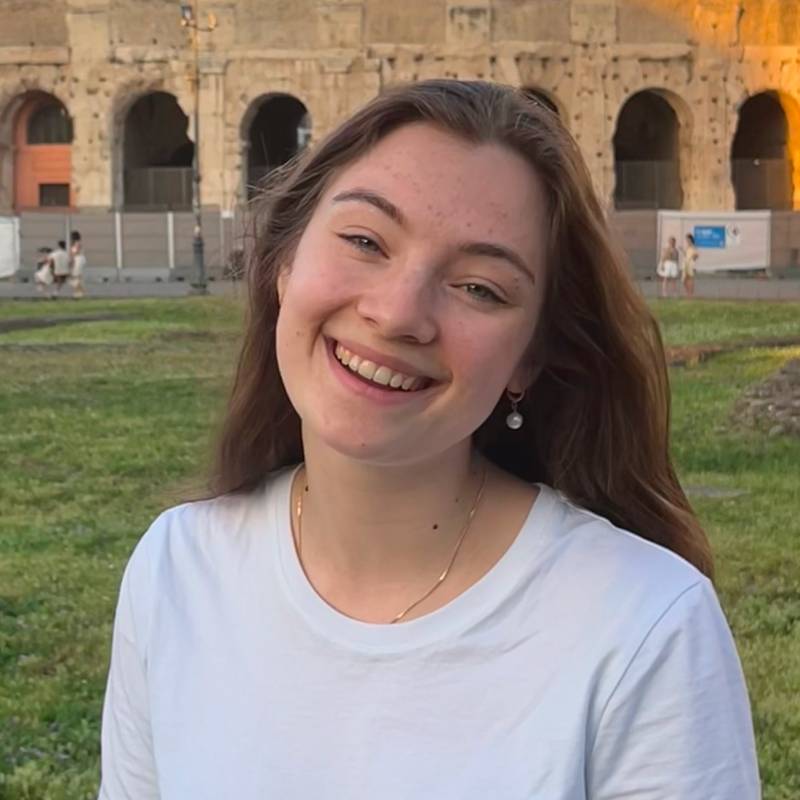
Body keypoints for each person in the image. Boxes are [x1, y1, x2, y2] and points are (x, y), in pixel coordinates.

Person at [99, 81, 760, 799]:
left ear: (529, 360)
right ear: (283, 265)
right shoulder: (176, 571)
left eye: (480, 287)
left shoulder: (647, 631)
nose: (397, 312)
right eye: (363, 241)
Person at [69, 230, 86, 299]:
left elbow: (76, 252)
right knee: (77, 277)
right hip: (77, 259)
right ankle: (79, 292)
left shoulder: (77, 243)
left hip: (78, 260)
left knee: (76, 276)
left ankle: (79, 292)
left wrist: (71, 255)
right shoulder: (74, 244)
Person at [682, 232, 699, 299]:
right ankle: (687, 293)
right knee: (684, 279)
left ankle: (690, 293)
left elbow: (696, 255)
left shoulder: (693, 247)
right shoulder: (688, 247)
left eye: (688, 239)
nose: (687, 241)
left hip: (690, 264)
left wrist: (693, 260)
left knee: (690, 279)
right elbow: (686, 255)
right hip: (686, 264)